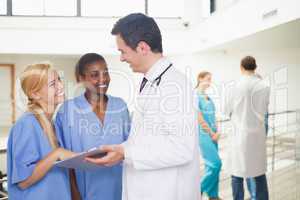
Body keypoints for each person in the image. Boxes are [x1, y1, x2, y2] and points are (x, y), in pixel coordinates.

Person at [85, 13, 201, 200]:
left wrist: (125, 153)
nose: (121, 58)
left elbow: (181, 149)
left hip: (167, 192)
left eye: (123, 51)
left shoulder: (174, 86)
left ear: (143, 47)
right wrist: (120, 150)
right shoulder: (151, 81)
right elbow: (147, 139)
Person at [55, 53, 131, 200]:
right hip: (85, 192)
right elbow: (64, 161)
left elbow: (129, 148)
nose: (103, 79)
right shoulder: (67, 110)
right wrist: (74, 194)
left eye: (106, 73)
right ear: (81, 78)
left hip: (120, 190)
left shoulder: (120, 106)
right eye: (95, 75)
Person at [7, 63, 77, 200]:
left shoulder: (52, 124)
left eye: (59, 80)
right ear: (34, 94)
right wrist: (57, 153)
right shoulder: (27, 124)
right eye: (52, 84)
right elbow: (23, 181)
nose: (61, 87)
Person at [224, 56, 270, 200]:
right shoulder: (264, 85)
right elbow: (265, 108)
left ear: (241, 68)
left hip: (240, 136)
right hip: (257, 136)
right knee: (258, 173)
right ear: (255, 67)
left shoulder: (234, 85)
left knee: (237, 174)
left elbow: (226, 110)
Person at [196, 71, 222, 200]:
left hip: (213, 135)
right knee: (216, 164)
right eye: (208, 79)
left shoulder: (207, 96)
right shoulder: (195, 95)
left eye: (211, 79)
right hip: (204, 135)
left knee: (210, 166)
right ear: (200, 79)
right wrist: (211, 133)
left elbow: (214, 115)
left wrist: (217, 131)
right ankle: (197, 190)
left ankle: (213, 196)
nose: (210, 82)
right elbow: (199, 118)